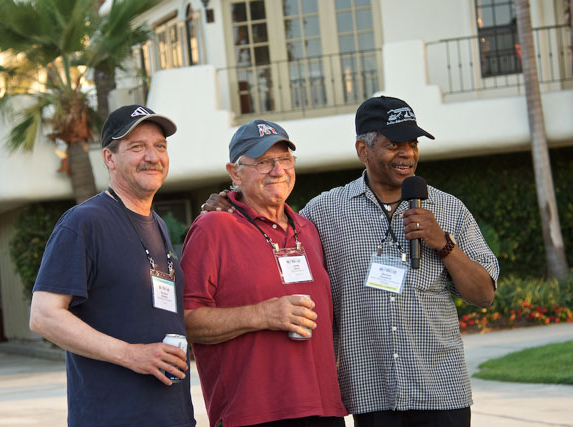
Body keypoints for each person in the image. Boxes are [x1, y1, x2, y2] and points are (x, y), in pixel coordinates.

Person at [203, 96, 499, 427]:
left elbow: (484, 294)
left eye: (412, 143)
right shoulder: (323, 212)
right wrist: (232, 202)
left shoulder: (449, 209)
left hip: (441, 392)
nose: (407, 153)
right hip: (369, 396)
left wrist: (443, 244)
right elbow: (271, 233)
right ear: (363, 150)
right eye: (393, 144)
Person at [29, 105, 195, 427]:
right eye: (137, 147)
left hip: (171, 415)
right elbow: (44, 316)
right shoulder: (84, 222)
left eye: (159, 146)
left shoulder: (158, 225)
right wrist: (132, 354)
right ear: (109, 158)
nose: (152, 156)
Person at [181, 120, 347, 427]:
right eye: (263, 162)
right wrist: (264, 315)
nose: (278, 170)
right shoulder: (212, 227)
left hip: (324, 410)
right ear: (235, 173)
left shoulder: (307, 228)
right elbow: (187, 320)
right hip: (253, 414)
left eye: (285, 159)